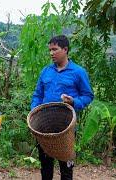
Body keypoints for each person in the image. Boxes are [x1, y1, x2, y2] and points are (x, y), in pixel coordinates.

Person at [30, 35, 94, 180]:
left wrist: (74, 102)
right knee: (45, 167)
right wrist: (34, 110)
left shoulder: (78, 72)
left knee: (66, 168)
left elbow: (88, 95)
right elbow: (37, 95)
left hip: (66, 128)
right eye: (50, 50)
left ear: (65, 50)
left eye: (55, 49)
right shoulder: (46, 71)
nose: (51, 53)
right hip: (44, 127)